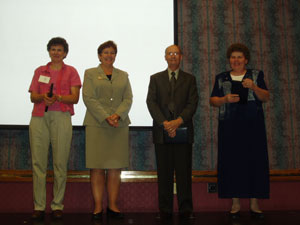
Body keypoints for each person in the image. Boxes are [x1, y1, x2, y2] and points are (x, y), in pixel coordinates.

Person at [210, 43, 270, 219]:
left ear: (246, 59)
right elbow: (213, 100)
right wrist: (224, 99)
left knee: (255, 162)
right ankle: (235, 202)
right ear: (229, 60)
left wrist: (254, 87)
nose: (236, 60)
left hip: (253, 126)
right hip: (229, 125)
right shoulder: (221, 77)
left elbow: (265, 97)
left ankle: (254, 202)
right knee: (232, 162)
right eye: (233, 57)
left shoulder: (256, 75)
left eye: (239, 57)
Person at [29, 37, 81, 219]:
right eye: (53, 49)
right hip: (39, 117)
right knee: (38, 164)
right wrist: (43, 96)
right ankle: (39, 206)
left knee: (60, 163)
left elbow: (75, 98)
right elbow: (32, 96)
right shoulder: (39, 71)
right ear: (49, 51)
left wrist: (58, 97)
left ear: (65, 53)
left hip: (61, 117)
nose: (56, 52)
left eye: (60, 50)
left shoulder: (72, 71)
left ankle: (57, 205)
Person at [146, 45, 199, 221]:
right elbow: (151, 103)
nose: (173, 56)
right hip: (162, 133)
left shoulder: (190, 79)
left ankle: (186, 209)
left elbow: (192, 104)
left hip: (183, 131)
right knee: (164, 173)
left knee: (184, 173)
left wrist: (177, 122)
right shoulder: (155, 79)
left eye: (176, 53)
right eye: (170, 53)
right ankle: (165, 210)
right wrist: (165, 123)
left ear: (181, 57)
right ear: (165, 57)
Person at [82, 40, 132, 220]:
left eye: (112, 52)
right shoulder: (89, 74)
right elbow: (88, 98)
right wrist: (105, 116)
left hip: (118, 126)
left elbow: (128, 99)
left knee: (114, 168)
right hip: (97, 125)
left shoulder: (123, 75)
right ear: (99, 55)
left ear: (115, 55)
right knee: (96, 167)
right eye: (105, 53)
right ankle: (97, 207)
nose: (109, 55)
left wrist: (117, 115)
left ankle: (112, 205)